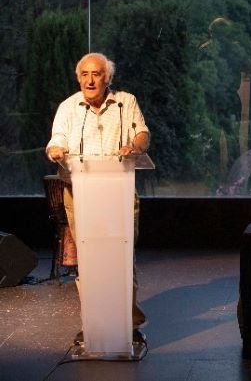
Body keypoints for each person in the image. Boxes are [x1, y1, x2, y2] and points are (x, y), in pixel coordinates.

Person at [45, 52, 150, 344]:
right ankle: (94, 324)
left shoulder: (125, 102)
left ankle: (128, 325)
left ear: (108, 78)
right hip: (80, 192)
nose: (90, 80)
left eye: (97, 74)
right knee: (89, 261)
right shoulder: (68, 107)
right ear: (79, 78)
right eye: (85, 75)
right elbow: (57, 140)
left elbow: (142, 134)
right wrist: (55, 151)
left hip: (119, 189)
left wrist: (134, 146)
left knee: (120, 258)